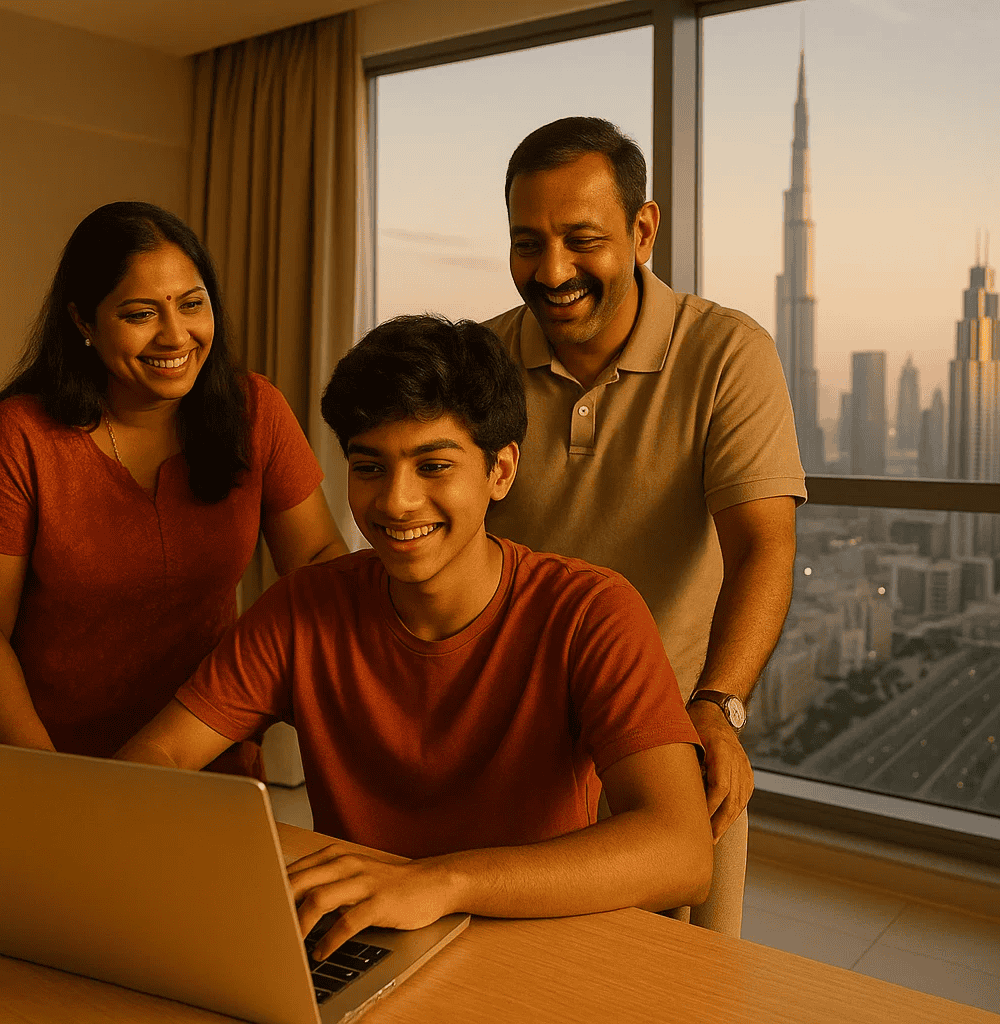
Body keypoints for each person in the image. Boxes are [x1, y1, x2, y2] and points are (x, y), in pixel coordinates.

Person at [116, 314, 713, 960]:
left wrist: (439, 881)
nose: (396, 502)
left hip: (532, 948)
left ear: (501, 471)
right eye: (369, 468)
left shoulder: (590, 613)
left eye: (433, 466)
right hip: (355, 946)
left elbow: (681, 850)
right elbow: (150, 765)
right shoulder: (303, 607)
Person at [483, 117, 805, 936]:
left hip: (668, 747)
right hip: (508, 743)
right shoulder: (477, 362)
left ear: (644, 230)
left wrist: (719, 706)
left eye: (580, 239)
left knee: (678, 991)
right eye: (528, 242)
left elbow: (763, 544)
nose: (551, 271)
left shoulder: (728, 353)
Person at [0, 201, 346, 775]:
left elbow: (317, 562)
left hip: (200, 754)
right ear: (83, 322)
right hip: (39, 755)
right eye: (140, 314)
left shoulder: (256, 409)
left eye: (192, 304)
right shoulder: (21, 433)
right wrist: (44, 775)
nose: (176, 335)